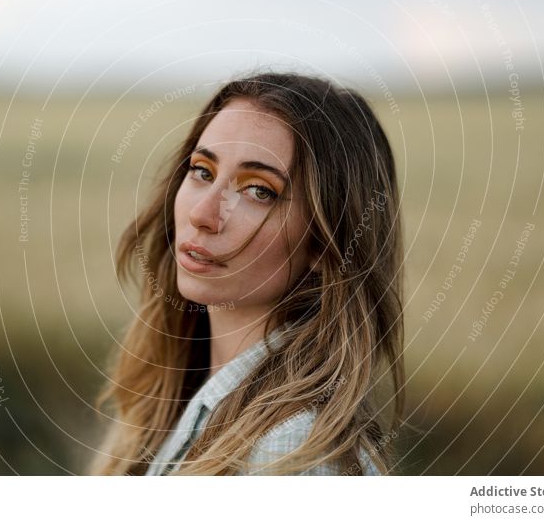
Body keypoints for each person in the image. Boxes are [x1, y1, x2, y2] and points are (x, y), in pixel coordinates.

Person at [88, 71, 404, 476]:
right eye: (202, 170)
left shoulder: (291, 454)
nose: (203, 215)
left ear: (326, 246)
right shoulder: (180, 401)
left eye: (259, 191)